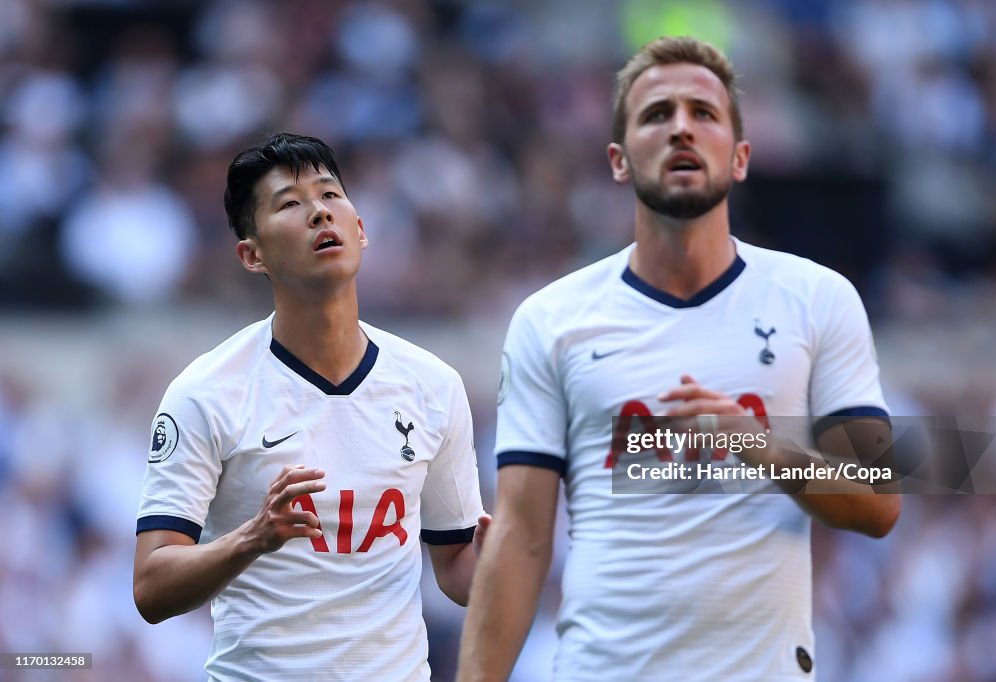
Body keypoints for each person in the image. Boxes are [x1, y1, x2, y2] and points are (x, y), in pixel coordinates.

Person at [458, 36, 901, 681]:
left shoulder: (817, 299)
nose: (682, 129)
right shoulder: (552, 320)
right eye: (657, 114)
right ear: (618, 159)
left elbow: (879, 503)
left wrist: (761, 449)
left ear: (741, 156)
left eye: (704, 113)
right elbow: (522, 538)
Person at [134, 133, 487, 681]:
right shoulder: (205, 393)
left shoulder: (433, 385)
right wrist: (254, 537)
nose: (319, 212)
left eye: (330, 196)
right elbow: (151, 588)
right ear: (252, 255)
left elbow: (457, 572)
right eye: (290, 204)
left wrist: (507, 553)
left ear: (362, 230)